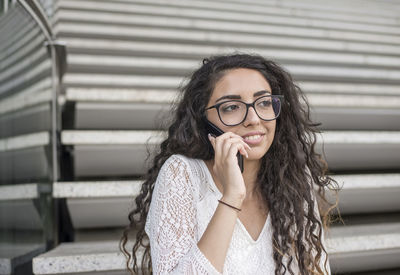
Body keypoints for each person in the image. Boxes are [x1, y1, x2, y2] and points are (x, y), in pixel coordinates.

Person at [120, 53, 339, 274]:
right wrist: (232, 196)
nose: (253, 118)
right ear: (203, 120)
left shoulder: (291, 178)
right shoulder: (181, 174)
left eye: (264, 102)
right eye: (232, 107)